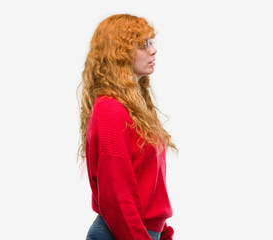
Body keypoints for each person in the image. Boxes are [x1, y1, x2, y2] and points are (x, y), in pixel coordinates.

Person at [77, 13, 178, 240]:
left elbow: (149, 182)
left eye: (151, 42)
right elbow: (116, 196)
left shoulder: (132, 107)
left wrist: (162, 232)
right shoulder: (110, 110)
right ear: (119, 53)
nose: (153, 50)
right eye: (143, 45)